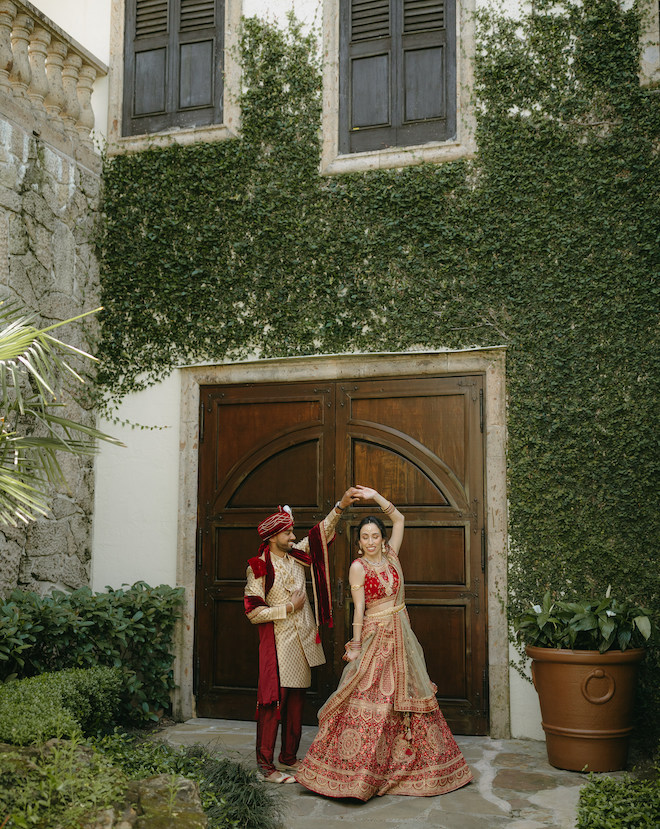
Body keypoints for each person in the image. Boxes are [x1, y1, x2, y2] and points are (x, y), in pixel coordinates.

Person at [296, 485, 473, 800]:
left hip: (401, 634)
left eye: (375, 535)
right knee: (367, 695)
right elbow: (359, 609)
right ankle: (358, 772)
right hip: (376, 635)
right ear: (359, 542)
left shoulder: (392, 554)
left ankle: (414, 765)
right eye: (364, 537)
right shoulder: (358, 567)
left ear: (381, 538)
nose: (371, 541)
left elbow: (400, 518)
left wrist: (375, 495)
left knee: (408, 695)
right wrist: (356, 642)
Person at [244, 488, 360, 783]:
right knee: (273, 704)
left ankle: (288, 757)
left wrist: (340, 506)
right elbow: (253, 612)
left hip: (304, 644)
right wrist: (287, 607)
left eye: (292, 532)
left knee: (296, 703)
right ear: (272, 537)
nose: (293, 537)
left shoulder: (297, 557)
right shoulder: (259, 567)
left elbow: (320, 534)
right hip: (279, 645)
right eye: (288, 533)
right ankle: (266, 766)